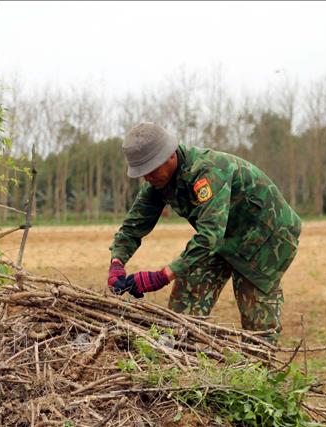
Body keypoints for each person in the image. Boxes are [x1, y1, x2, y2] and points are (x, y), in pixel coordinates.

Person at [107, 122, 301, 344]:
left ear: (169, 155)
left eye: (150, 170)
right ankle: (178, 363)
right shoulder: (158, 182)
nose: (146, 178)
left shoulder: (207, 172)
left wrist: (162, 276)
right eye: (142, 173)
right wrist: (117, 262)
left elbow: (210, 234)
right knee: (183, 310)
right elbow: (133, 225)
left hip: (266, 239)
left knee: (256, 321)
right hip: (223, 238)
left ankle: (260, 372)